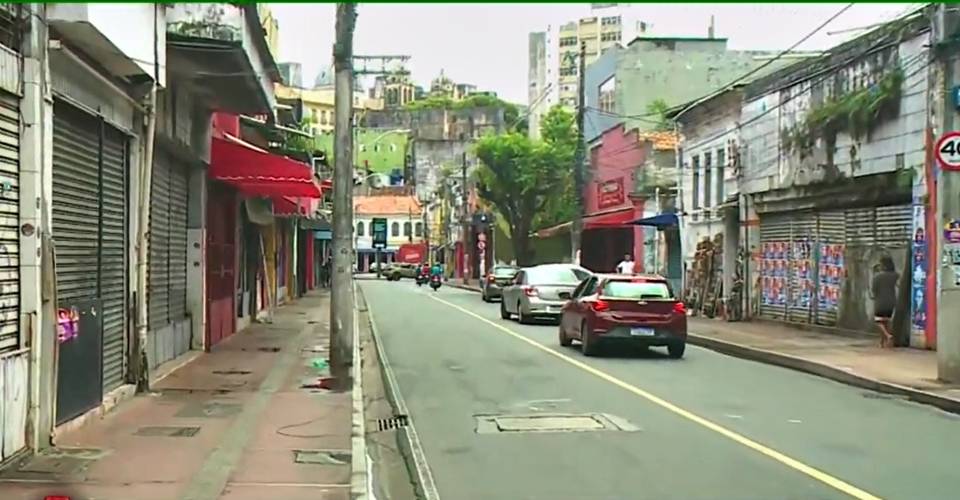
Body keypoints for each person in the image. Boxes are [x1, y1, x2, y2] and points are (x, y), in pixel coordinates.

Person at [870, 255, 898, 348]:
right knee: (886, 321)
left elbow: (874, 290)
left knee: (878, 321)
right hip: (891, 301)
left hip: (880, 301)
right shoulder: (895, 275)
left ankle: (888, 335)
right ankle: (882, 342)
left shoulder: (877, 277)